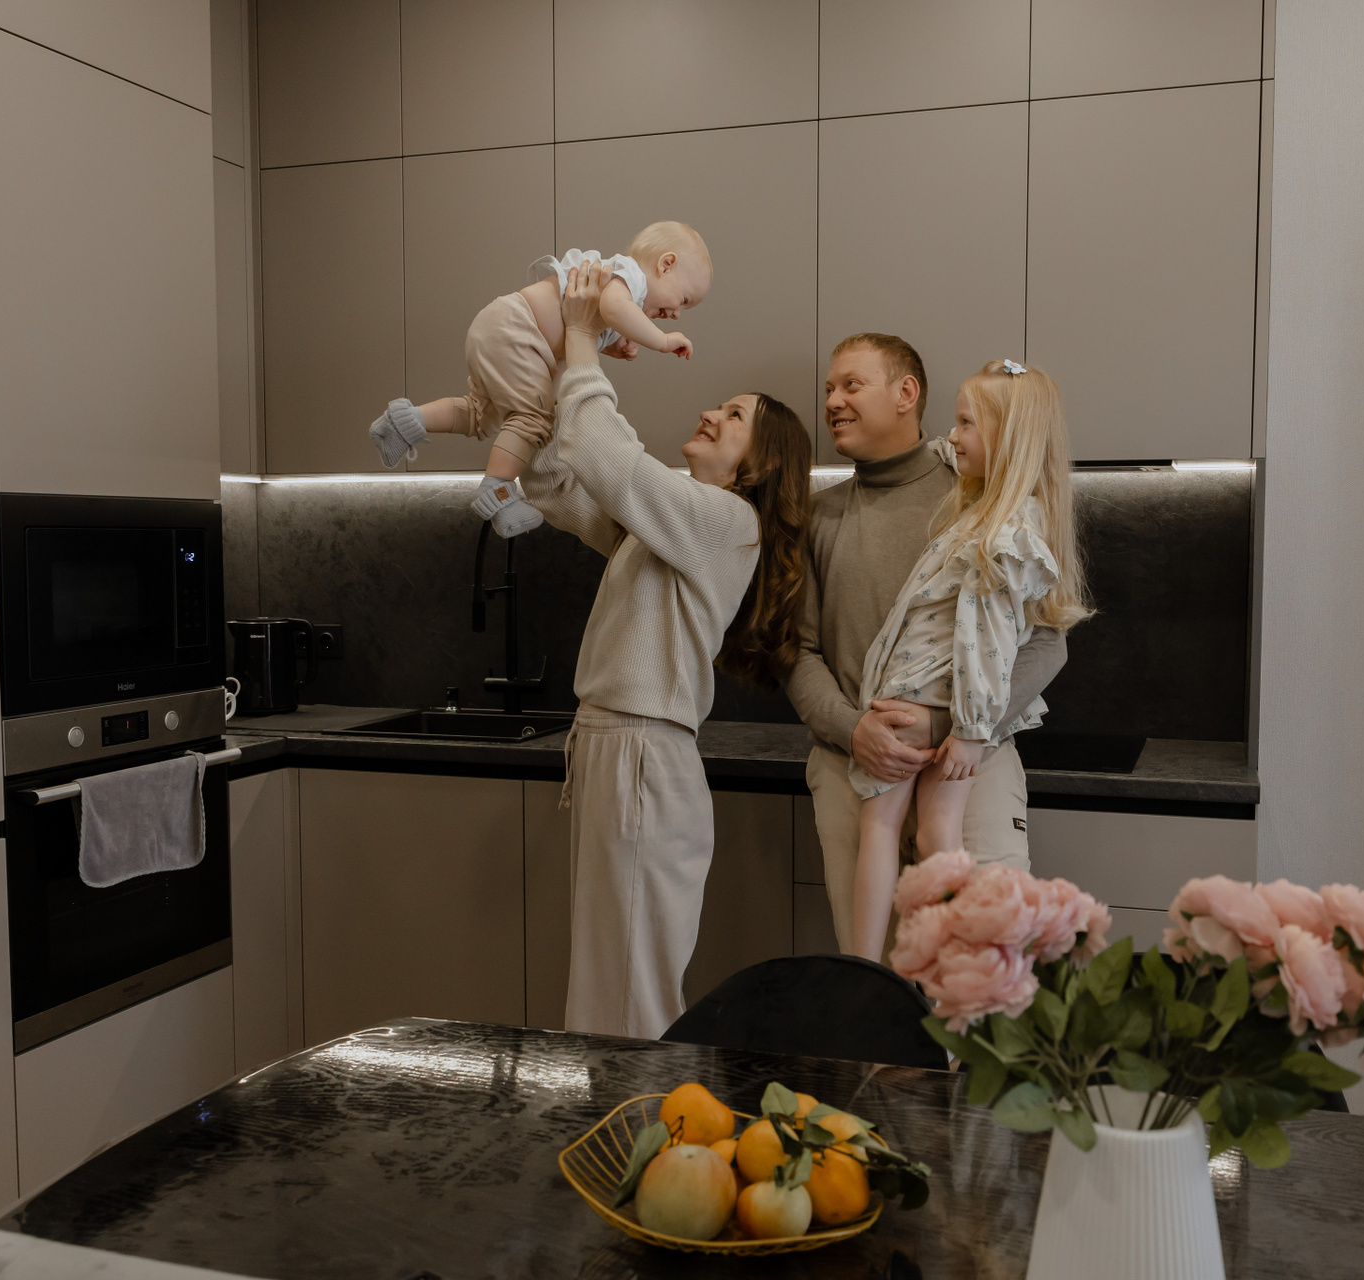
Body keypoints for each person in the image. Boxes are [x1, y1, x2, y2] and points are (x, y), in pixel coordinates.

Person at [520, 261, 810, 1039]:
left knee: (627, 998)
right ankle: (626, 1116)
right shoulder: (673, 524)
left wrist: (584, 337)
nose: (711, 413)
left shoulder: (726, 521)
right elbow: (560, 481)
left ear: (760, 464)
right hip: (620, 750)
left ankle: (642, 1119)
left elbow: (608, 458)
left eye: (734, 416)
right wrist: (545, 362)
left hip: (641, 756)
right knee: (611, 990)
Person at [783, 334, 1072, 955]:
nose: (831, 401)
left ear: (906, 393)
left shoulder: (981, 486)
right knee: (874, 986)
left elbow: (1047, 644)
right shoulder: (818, 516)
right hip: (854, 766)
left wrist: (949, 724)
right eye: (829, 388)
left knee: (978, 975)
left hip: (972, 764)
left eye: (851, 385)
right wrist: (854, 730)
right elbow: (797, 652)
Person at [846, 360, 1091, 960]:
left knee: (881, 830)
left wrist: (971, 730)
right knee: (939, 838)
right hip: (949, 706)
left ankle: (865, 971)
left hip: (919, 697)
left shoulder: (999, 534)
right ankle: (943, 973)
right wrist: (967, 728)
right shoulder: (1002, 513)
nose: (951, 437)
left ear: (1008, 438)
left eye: (964, 424)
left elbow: (987, 641)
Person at [368, 222, 711, 537]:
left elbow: (586, 324)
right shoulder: (631, 278)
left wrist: (613, 346)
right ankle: (497, 490)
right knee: (533, 418)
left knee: (483, 415)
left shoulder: (619, 286)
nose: (676, 314)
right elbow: (613, 309)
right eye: (683, 299)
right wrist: (662, 341)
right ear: (665, 264)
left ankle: (403, 424)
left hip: (505, 330)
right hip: (519, 331)